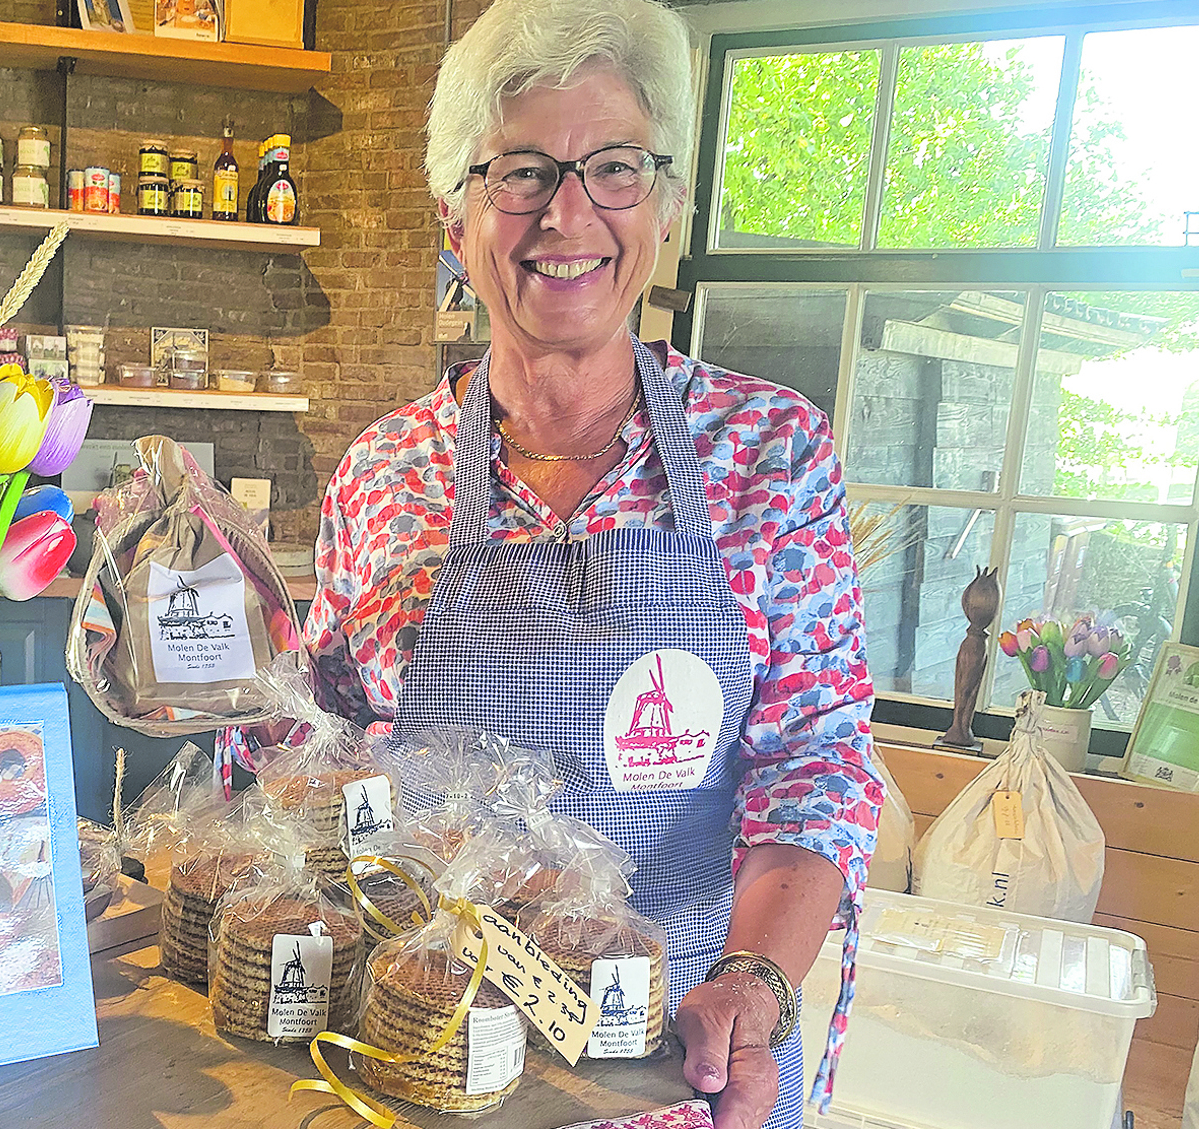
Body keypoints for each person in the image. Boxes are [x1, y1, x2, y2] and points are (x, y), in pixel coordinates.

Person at [271, 1, 881, 1126]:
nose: (567, 213)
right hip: (425, 1053)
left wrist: (753, 984)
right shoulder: (381, 472)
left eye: (612, 167)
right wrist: (211, 684)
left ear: (664, 206)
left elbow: (816, 757)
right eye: (518, 172)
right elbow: (327, 738)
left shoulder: (767, 451)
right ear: (454, 219)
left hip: (685, 1060)